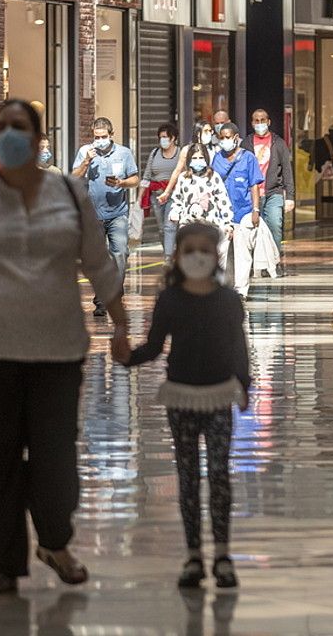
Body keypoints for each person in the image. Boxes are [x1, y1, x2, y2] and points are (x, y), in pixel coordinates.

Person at [0, 99, 130, 594]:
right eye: (3, 129)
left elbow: (99, 262)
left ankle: (55, 540)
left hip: (56, 349)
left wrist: (122, 324)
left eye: (20, 129)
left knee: (55, 453)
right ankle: (2, 561)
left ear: (39, 140)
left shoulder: (68, 192)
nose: (10, 136)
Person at [116, 223, 251, 590]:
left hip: (219, 394)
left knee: (219, 475)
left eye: (204, 249)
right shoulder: (170, 300)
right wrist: (127, 358)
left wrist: (244, 385)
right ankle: (194, 556)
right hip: (181, 397)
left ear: (216, 254)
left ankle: (222, 554)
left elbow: (238, 347)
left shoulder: (228, 300)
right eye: (189, 249)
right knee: (188, 478)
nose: (197, 257)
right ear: (177, 255)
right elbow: (156, 347)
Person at [72, 117, 140, 317]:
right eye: (96, 137)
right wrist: (86, 162)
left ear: (111, 135)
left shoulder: (124, 153)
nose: (99, 140)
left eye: (103, 137)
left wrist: (121, 183)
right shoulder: (86, 152)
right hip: (93, 215)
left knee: (120, 253)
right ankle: (101, 298)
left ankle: (113, 295)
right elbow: (74, 176)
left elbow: (135, 179)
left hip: (117, 212)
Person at [241, 109, 297, 275]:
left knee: (274, 225)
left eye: (262, 120)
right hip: (253, 194)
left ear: (269, 121)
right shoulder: (246, 143)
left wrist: (290, 197)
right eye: (256, 120)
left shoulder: (278, 143)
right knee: (255, 229)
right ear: (252, 123)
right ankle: (258, 264)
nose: (259, 124)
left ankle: (274, 262)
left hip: (274, 192)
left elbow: (287, 170)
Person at [212, 122, 263, 300]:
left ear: (235, 138)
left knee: (243, 254)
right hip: (221, 213)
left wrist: (256, 210)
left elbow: (254, 185)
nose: (225, 141)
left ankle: (241, 290)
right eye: (221, 138)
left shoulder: (248, 158)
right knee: (220, 251)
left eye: (228, 137)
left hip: (243, 211)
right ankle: (218, 287)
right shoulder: (216, 158)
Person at [170, 142, 234, 234]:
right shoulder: (183, 178)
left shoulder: (213, 177)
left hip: (210, 226)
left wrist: (228, 223)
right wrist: (175, 213)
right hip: (188, 226)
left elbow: (223, 200)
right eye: (194, 158)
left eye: (201, 158)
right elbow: (177, 200)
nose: (198, 160)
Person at [142, 123, 182, 258]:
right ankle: (170, 251)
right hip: (157, 196)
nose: (163, 140)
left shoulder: (180, 153)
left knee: (169, 226)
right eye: (161, 137)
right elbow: (146, 176)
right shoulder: (154, 153)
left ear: (173, 138)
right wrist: (140, 198)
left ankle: (168, 258)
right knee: (162, 229)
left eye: (166, 137)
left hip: (174, 196)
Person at [159, 121, 218, 208]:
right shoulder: (187, 150)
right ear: (198, 133)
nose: (209, 133)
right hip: (190, 189)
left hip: (210, 189)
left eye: (210, 131)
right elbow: (177, 170)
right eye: (206, 131)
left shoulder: (215, 150)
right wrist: (167, 191)